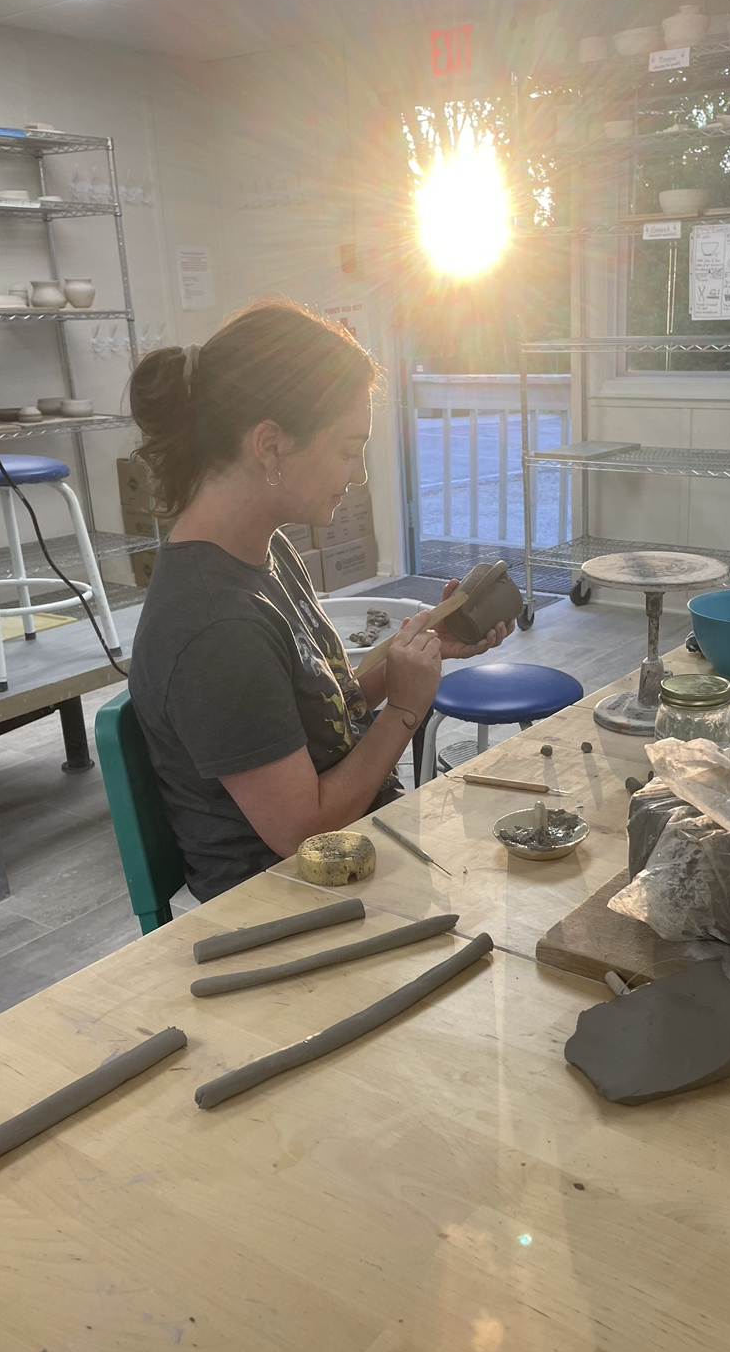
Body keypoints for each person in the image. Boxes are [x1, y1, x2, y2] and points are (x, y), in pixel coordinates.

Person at [127, 298, 512, 901]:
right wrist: (406, 713)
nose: (358, 473)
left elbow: (323, 710)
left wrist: (422, 649)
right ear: (271, 446)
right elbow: (302, 829)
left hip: (353, 862)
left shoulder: (265, 550)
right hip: (286, 909)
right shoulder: (214, 626)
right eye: (346, 448)